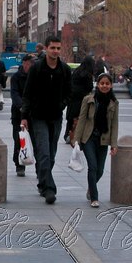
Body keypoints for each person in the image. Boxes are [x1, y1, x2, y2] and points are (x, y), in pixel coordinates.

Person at [21, 35, 72, 204]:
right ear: (47, 49)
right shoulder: (37, 69)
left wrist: (62, 104)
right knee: (43, 152)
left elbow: (69, 92)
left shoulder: (64, 69)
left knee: (51, 155)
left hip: (56, 116)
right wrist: (24, 116)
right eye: (52, 48)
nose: (55, 51)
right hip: (38, 117)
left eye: (58, 48)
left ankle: (43, 182)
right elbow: (27, 94)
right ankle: (50, 189)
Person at [72, 73, 118, 208]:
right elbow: (82, 120)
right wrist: (77, 139)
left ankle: (91, 187)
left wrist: (114, 144)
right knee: (92, 167)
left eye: (107, 84)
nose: (104, 86)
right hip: (89, 138)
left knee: (100, 170)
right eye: (102, 83)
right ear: (97, 85)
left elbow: (114, 124)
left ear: (111, 85)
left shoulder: (114, 103)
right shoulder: (88, 100)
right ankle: (94, 197)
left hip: (103, 139)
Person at [10, 54, 35, 177]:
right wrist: (22, 107)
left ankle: (39, 167)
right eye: (31, 63)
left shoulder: (36, 76)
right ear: (25, 63)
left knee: (36, 140)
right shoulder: (16, 77)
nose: (32, 65)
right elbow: (14, 94)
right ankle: (19, 165)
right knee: (19, 140)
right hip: (18, 114)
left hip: (34, 114)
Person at [64, 56, 95, 144]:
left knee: (71, 119)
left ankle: (68, 134)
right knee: (79, 118)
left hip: (73, 99)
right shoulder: (87, 74)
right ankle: (75, 135)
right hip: (82, 99)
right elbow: (89, 87)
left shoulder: (77, 71)